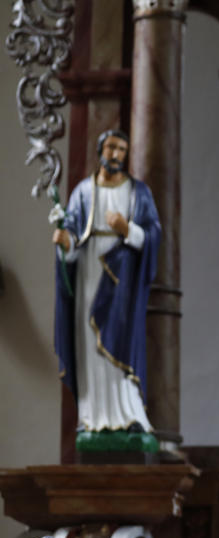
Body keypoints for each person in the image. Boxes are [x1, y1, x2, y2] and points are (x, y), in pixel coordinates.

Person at [51, 129, 161, 443]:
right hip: (89, 271)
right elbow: (72, 232)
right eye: (111, 147)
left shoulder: (139, 193)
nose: (115, 154)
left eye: (122, 150)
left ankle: (129, 414)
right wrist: (65, 242)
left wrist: (127, 229)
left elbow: (153, 233)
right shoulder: (83, 191)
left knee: (122, 337)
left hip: (122, 276)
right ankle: (93, 416)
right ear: (101, 149)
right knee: (89, 341)